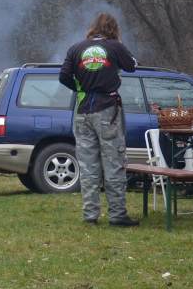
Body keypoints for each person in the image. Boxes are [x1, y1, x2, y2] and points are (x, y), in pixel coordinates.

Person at [59, 12, 139, 227]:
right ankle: (117, 215)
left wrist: (80, 87)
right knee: (113, 163)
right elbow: (132, 65)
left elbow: (63, 76)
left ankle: (90, 216)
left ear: (93, 28)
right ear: (113, 30)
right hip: (107, 111)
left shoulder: (76, 48)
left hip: (83, 111)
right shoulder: (115, 47)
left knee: (88, 166)